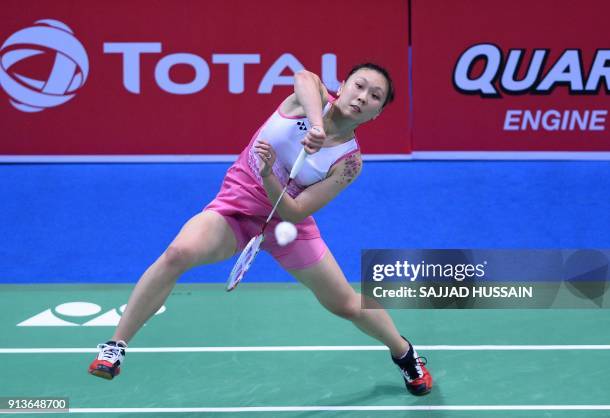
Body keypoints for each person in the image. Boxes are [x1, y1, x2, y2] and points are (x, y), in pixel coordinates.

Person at [88, 63, 433, 396]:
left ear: (376, 114)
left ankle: (403, 352)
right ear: (341, 87)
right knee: (178, 253)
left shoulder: (349, 162)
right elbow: (304, 76)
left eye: (375, 96)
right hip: (235, 210)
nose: (362, 96)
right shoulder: (306, 101)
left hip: (287, 225)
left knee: (344, 303)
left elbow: (295, 211)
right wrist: (316, 127)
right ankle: (116, 345)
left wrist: (269, 173)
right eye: (358, 85)